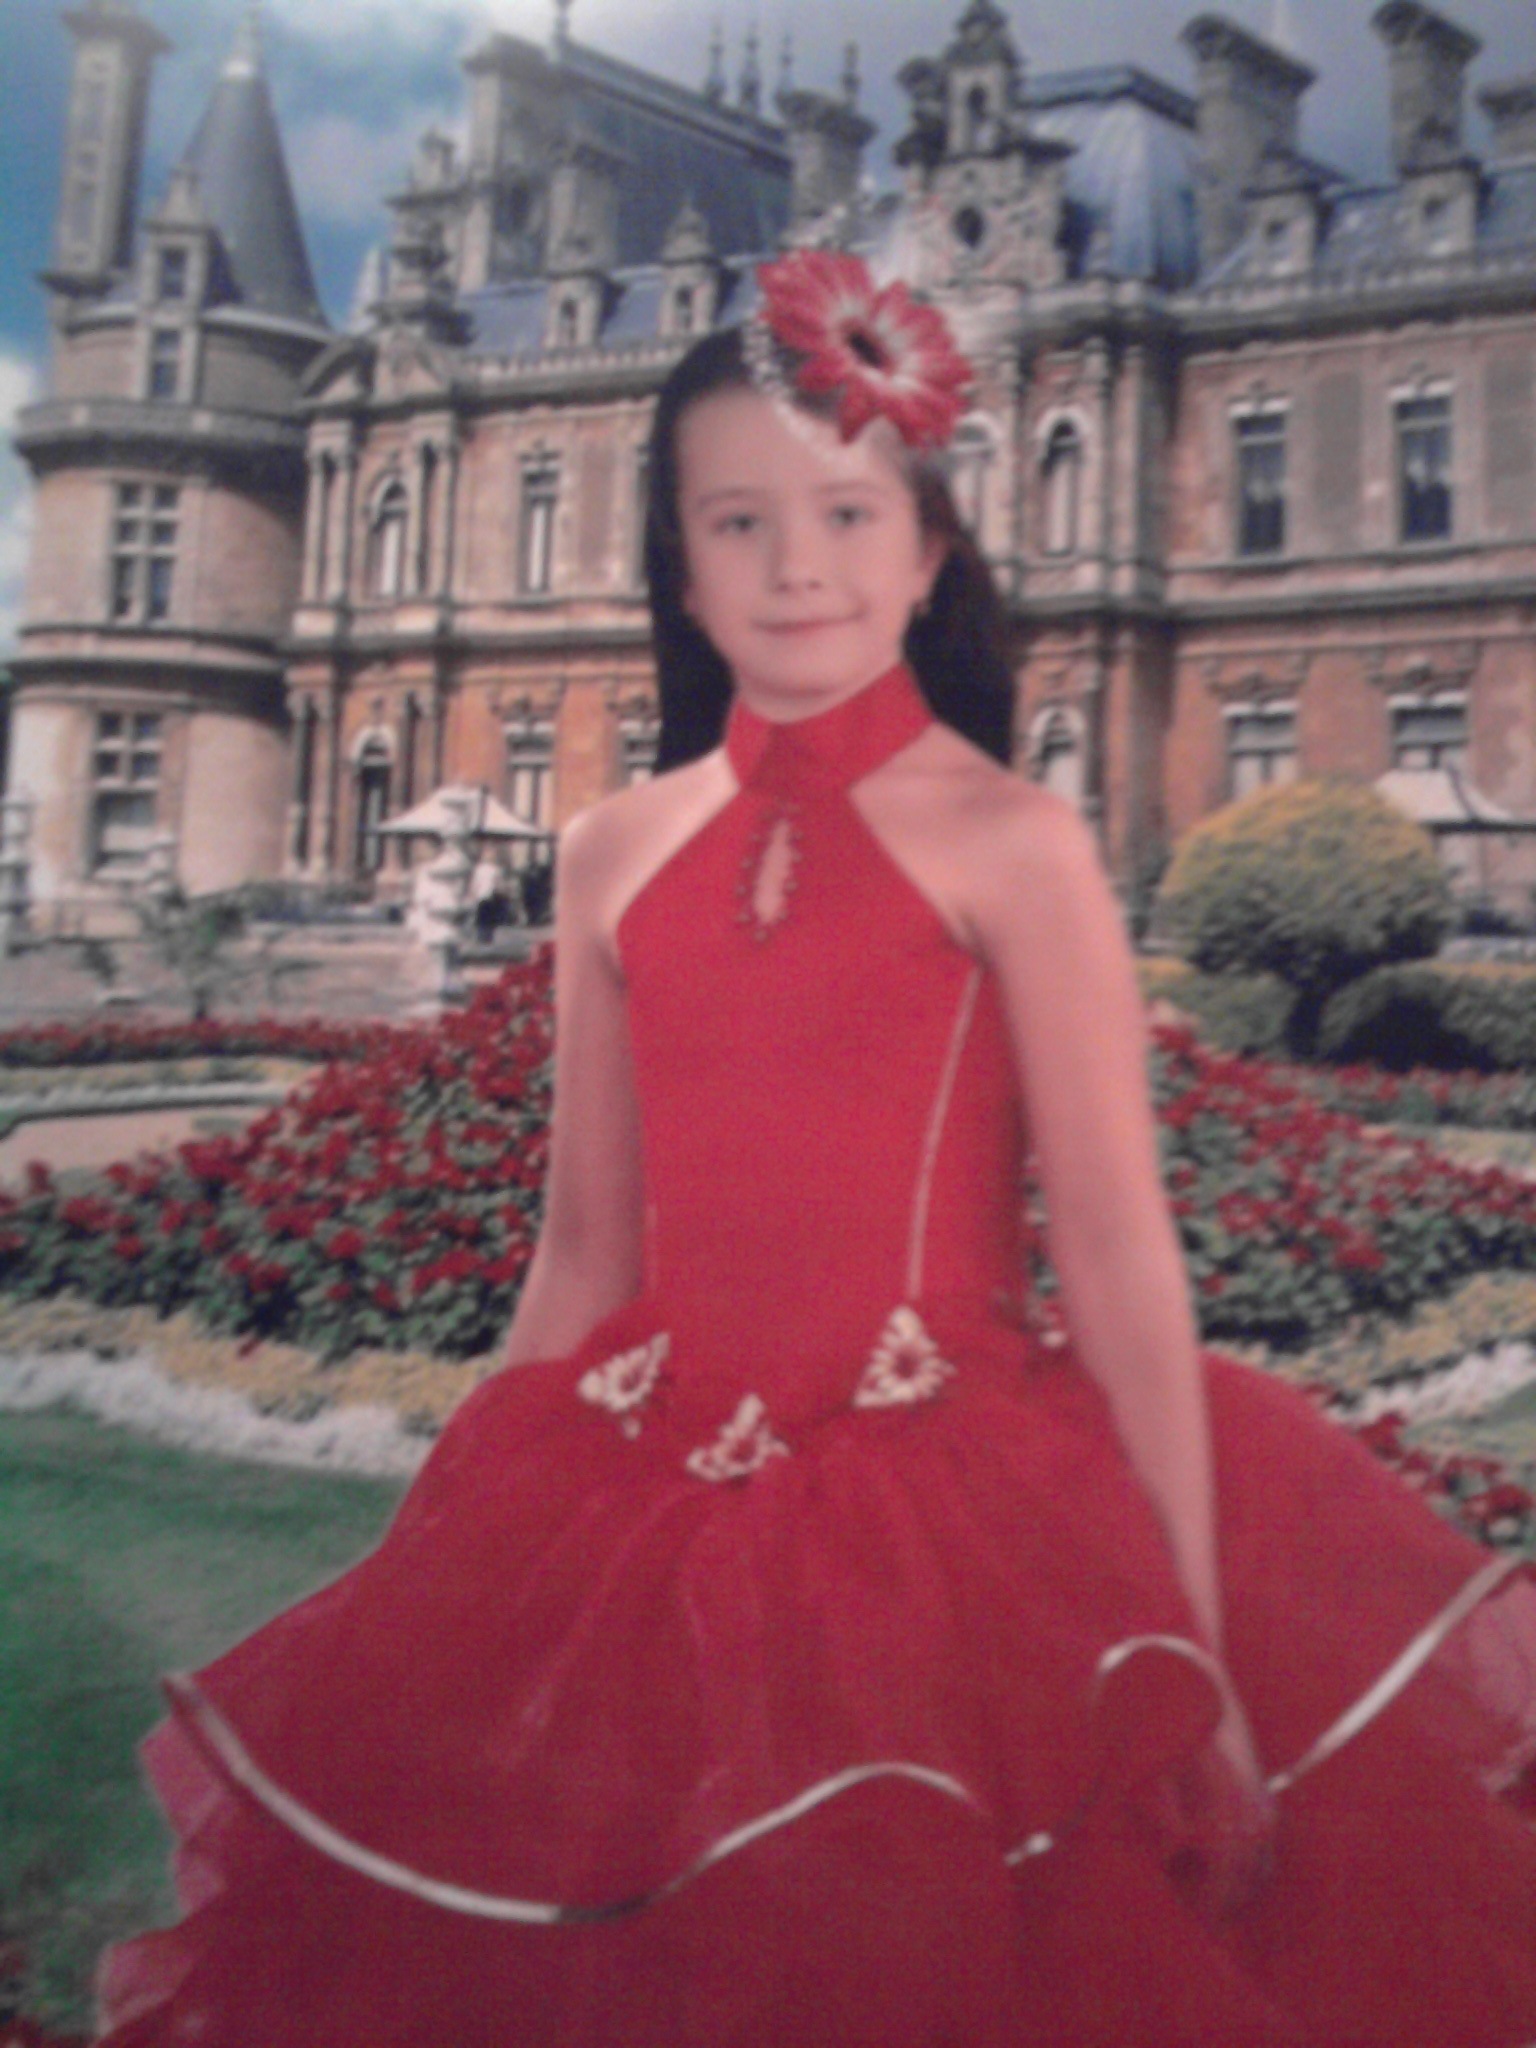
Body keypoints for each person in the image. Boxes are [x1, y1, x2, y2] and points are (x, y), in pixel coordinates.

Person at [95, 252, 1536, 2048]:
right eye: (738, 521)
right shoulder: (614, 849)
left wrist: (1200, 1654)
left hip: (956, 1514)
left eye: (847, 514)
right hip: (642, 1496)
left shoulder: (1014, 843)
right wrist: (426, 1597)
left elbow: (1115, 1256)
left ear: (929, 550)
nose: (796, 567)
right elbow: (582, 1253)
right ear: (683, 572)